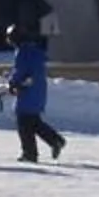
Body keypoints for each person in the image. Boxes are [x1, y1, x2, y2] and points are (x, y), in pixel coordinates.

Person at [7, 28, 66, 163]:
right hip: (38, 91)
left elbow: (20, 71)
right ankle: (55, 140)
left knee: (23, 122)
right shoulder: (36, 52)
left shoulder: (22, 53)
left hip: (27, 91)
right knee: (33, 121)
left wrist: (12, 83)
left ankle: (30, 153)